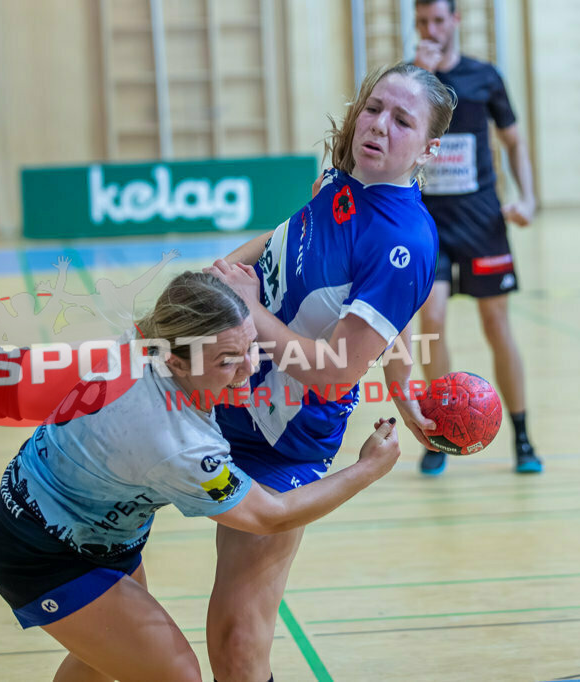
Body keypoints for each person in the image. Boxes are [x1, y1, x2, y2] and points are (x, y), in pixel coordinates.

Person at [0, 271, 403, 682]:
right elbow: (268, 515)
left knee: (99, 667)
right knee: (175, 676)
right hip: (43, 556)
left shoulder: (120, 354)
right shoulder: (176, 442)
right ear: (175, 356)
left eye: (250, 351)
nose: (248, 374)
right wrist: (365, 471)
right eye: (229, 362)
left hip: (95, 533)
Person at [202, 62, 454, 681]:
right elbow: (288, 239)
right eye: (374, 108)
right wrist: (218, 273)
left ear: (428, 148)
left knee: (237, 640)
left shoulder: (406, 242)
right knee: (102, 582)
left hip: (278, 436)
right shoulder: (343, 176)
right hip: (213, 391)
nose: (378, 126)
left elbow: (337, 373)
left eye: (402, 121)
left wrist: (250, 311)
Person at [411, 0, 542, 475]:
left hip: (482, 221)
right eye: (422, 22)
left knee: (496, 323)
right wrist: (421, 83)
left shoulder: (485, 76)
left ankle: (522, 435)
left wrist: (526, 199)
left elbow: (514, 141)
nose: (431, 29)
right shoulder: (409, 80)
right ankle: (442, 428)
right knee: (434, 316)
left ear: (455, 21)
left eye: (438, 20)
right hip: (429, 224)